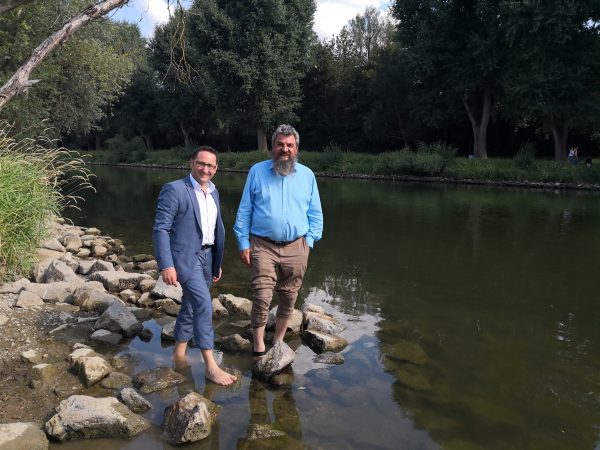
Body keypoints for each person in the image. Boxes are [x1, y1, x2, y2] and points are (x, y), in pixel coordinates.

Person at [233, 124, 324, 359]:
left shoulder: (307, 175)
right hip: (262, 244)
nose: (285, 149)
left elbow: (315, 213)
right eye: (280, 144)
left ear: (296, 149)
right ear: (272, 147)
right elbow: (245, 210)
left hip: (297, 245)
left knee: (289, 297)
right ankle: (259, 345)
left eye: (290, 145)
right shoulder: (256, 171)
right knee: (262, 295)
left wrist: (309, 242)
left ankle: (279, 341)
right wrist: (243, 242)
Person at [153, 146, 236, 386]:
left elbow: (214, 229)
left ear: (216, 168)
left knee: (189, 305)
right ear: (192, 163)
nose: (205, 169)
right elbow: (161, 229)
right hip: (185, 259)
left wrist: (217, 262)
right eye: (201, 164)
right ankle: (211, 365)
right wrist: (166, 264)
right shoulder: (175, 189)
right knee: (202, 304)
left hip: (208, 258)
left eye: (211, 166)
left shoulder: (214, 192)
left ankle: (179, 352)